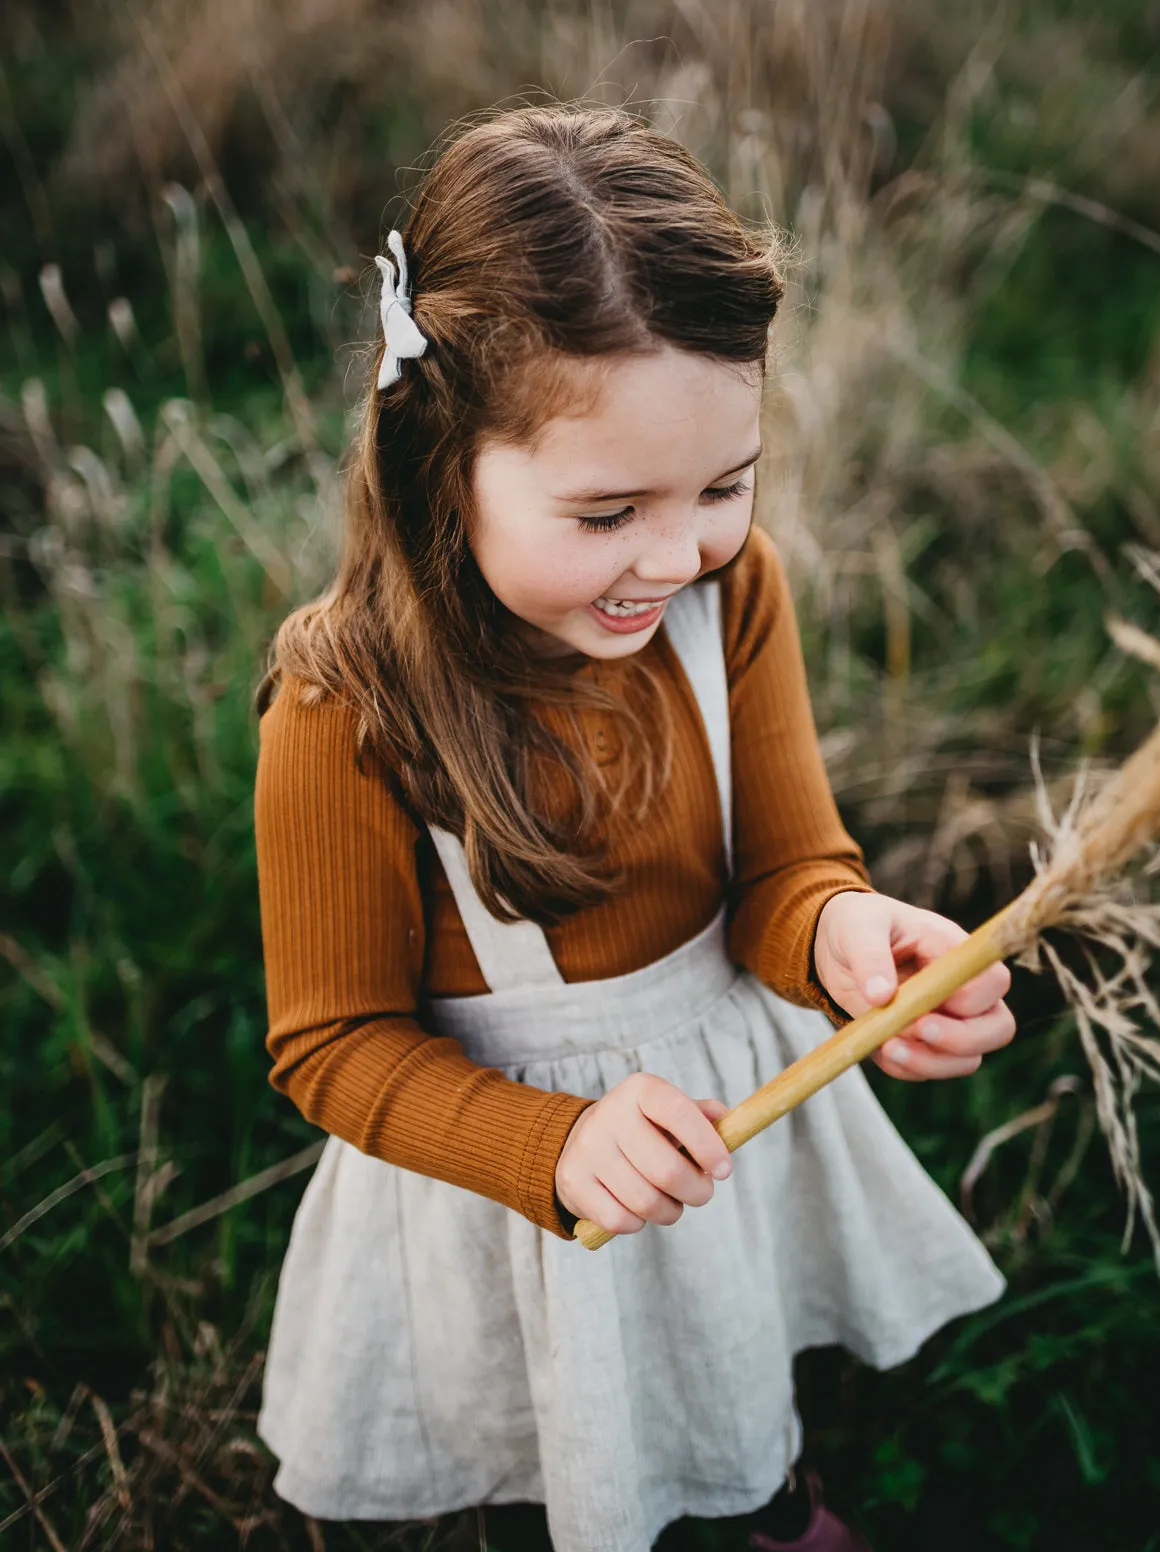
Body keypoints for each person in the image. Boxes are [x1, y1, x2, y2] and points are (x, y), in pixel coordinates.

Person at [253, 104, 1012, 1552]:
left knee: (730, 1342)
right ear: (443, 459)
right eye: (607, 512)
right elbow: (330, 1042)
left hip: (725, 1094)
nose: (676, 554)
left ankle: (764, 1489)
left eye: (723, 487)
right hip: (512, 1172)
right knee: (552, 1410)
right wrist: (543, 1146)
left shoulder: (732, 597)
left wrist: (854, 940)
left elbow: (787, 875)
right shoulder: (343, 708)